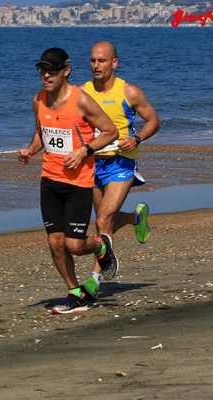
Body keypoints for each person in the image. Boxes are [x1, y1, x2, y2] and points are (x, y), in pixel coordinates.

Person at [18, 48, 121, 314]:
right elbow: (42, 132)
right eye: (42, 70)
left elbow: (110, 131)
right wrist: (31, 149)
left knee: (74, 245)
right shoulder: (38, 100)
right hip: (50, 180)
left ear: (66, 70)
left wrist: (84, 151)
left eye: (52, 70)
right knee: (55, 242)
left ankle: (101, 245)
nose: (46, 75)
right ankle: (75, 291)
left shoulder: (81, 101)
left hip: (78, 183)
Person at [81, 41, 160, 299]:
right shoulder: (81, 93)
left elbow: (153, 121)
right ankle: (136, 218)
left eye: (102, 61)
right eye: (93, 60)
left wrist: (136, 139)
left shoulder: (129, 92)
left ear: (114, 63)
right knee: (106, 220)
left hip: (121, 162)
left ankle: (94, 278)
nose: (96, 66)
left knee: (102, 220)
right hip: (93, 163)